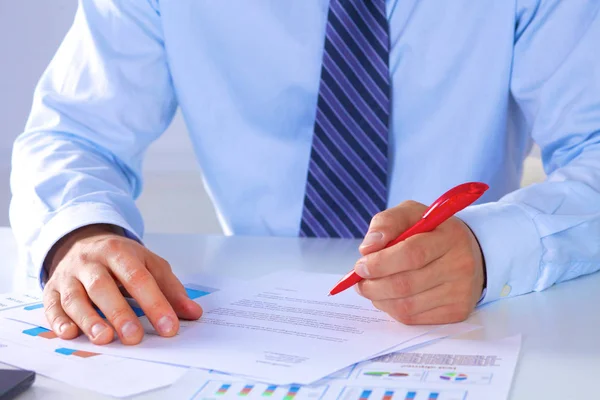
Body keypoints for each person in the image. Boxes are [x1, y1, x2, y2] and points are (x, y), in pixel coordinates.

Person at [10, 0, 600, 346]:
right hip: (249, 333)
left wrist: (489, 248)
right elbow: (72, 135)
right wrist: (78, 235)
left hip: (475, 325)